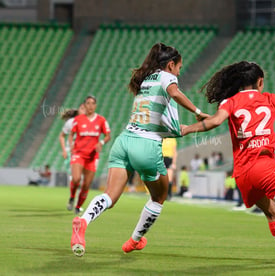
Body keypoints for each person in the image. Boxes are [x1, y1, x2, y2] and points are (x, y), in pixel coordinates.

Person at [70, 43, 209, 257]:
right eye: (179, 67)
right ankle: (134, 240)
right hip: (146, 145)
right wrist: (198, 112)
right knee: (159, 197)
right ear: (170, 65)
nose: (179, 72)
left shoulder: (146, 79)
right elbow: (176, 93)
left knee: (110, 196)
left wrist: (188, 128)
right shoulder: (166, 77)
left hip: (124, 141)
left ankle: (83, 220)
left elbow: (164, 118)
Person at [181, 61, 275, 262]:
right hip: (265, 166)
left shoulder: (229, 102)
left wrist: (187, 129)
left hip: (242, 174)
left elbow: (214, 122)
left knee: (272, 213)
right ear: (260, 82)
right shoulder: (268, 99)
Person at [67, 96, 111, 214]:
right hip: (78, 154)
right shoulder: (78, 119)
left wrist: (101, 142)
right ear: (84, 105)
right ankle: (72, 197)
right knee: (76, 179)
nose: (90, 106)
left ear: (95, 106)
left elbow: (108, 136)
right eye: (88, 103)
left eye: (93, 103)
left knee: (86, 185)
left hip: (92, 156)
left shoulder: (101, 120)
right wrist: (70, 145)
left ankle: (78, 206)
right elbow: (71, 134)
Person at [59, 104, 86, 175]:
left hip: (84, 151)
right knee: (74, 175)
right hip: (71, 151)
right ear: (78, 111)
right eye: (82, 108)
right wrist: (64, 150)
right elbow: (62, 136)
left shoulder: (91, 122)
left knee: (81, 176)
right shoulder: (71, 122)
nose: (84, 110)